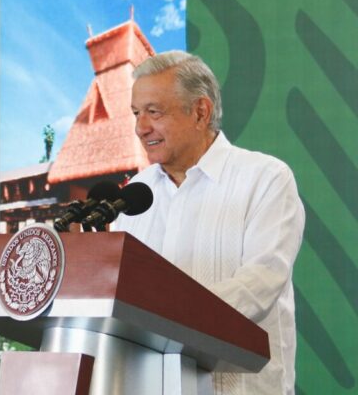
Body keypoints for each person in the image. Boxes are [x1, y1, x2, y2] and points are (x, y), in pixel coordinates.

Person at [111, 51, 305, 395]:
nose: (141, 128)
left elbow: (259, 284)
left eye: (154, 112)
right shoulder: (133, 196)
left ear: (200, 112)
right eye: (137, 113)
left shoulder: (266, 179)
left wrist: (160, 317)